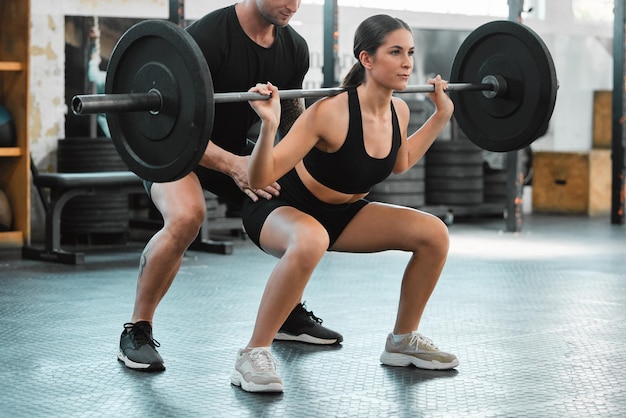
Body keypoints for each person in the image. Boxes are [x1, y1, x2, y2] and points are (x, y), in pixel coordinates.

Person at [231, 14, 459, 393]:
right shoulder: (330, 111)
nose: (407, 63)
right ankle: (252, 353)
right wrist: (269, 125)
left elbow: (399, 162)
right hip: (280, 208)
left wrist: (439, 117)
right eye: (396, 52)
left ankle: (402, 340)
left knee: (434, 234)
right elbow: (257, 179)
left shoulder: (398, 110)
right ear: (366, 59)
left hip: (342, 215)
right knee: (310, 239)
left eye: (411, 53)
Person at [117, 0, 342, 373]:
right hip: (172, 148)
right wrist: (234, 166)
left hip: (234, 150)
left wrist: (308, 166)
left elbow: (290, 115)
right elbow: (175, 120)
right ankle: (136, 330)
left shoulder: (294, 48)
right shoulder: (206, 38)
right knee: (187, 216)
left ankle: (288, 313)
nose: (293, 4)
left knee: (298, 200)